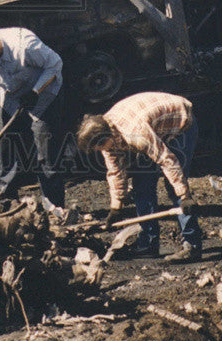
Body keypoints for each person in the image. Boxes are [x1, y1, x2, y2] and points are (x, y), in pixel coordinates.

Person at [76, 91, 203, 262]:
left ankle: (192, 245)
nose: (101, 152)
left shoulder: (136, 133)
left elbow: (166, 160)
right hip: (152, 126)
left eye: (99, 148)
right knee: (141, 185)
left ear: (105, 137)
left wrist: (184, 195)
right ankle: (148, 244)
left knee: (173, 187)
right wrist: (116, 207)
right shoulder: (105, 136)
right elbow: (115, 172)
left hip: (179, 122)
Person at [0, 28, 71, 220]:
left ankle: (55, 208)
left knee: (45, 153)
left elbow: (55, 65)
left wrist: (35, 92)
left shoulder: (24, 45)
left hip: (44, 92)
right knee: (5, 148)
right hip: (12, 95)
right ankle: (5, 204)